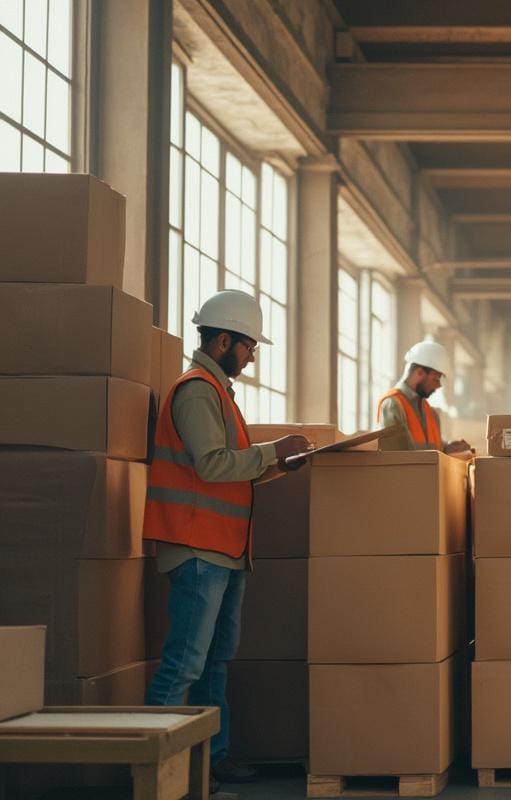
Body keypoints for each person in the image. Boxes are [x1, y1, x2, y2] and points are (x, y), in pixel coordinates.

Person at [143, 290, 312, 786]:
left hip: (224, 549)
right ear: (222, 341)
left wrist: (282, 462)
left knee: (216, 662)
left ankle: (213, 759)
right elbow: (213, 465)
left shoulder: (218, 394)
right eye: (248, 345)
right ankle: (156, 771)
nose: (252, 354)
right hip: (198, 549)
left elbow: (232, 471)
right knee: (184, 664)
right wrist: (272, 449)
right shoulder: (197, 390)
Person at [376, 339, 472, 454]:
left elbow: (430, 450)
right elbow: (396, 459)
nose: (438, 385)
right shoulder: (393, 405)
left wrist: (446, 448)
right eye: (435, 379)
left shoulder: (430, 412)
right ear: (420, 373)